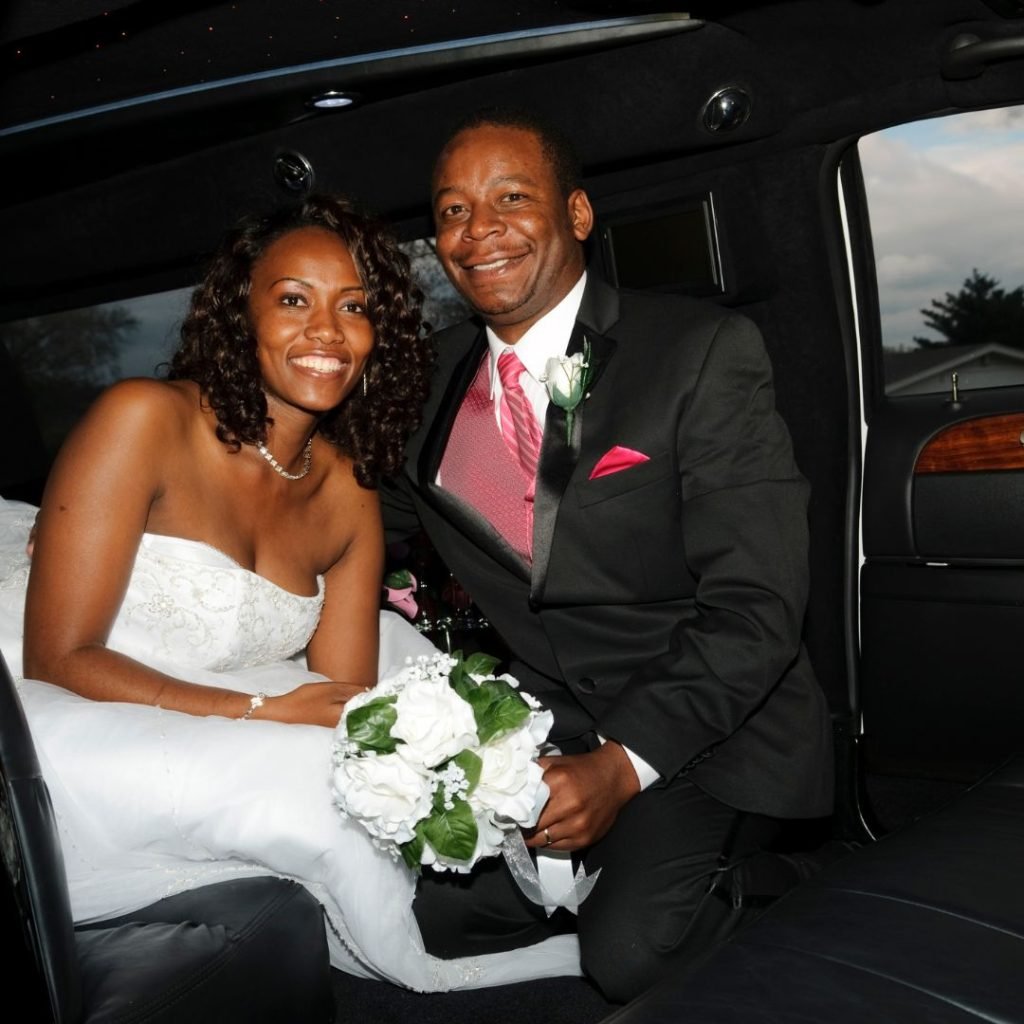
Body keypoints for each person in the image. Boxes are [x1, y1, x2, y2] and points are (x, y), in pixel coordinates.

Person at [0, 194, 582, 990]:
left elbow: (340, 693)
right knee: (305, 780)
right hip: (68, 707)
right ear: (242, 317)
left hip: (226, 702)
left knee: (391, 733)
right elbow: (59, 658)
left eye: (354, 307)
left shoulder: (347, 491)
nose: (326, 332)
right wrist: (259, 711)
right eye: (294, 301)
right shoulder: (143, 420)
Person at [381, 108, 835, 1003]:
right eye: (454, 211)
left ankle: (800, 884)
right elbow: (349, 517)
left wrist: (622, 765)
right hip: (543, 718)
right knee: (421, 918)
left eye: (512, 198)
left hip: (708, 722)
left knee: (628, 958)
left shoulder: (697, 353)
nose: (479, 230)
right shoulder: (422, 385)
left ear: (578, 215)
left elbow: (758, 609)